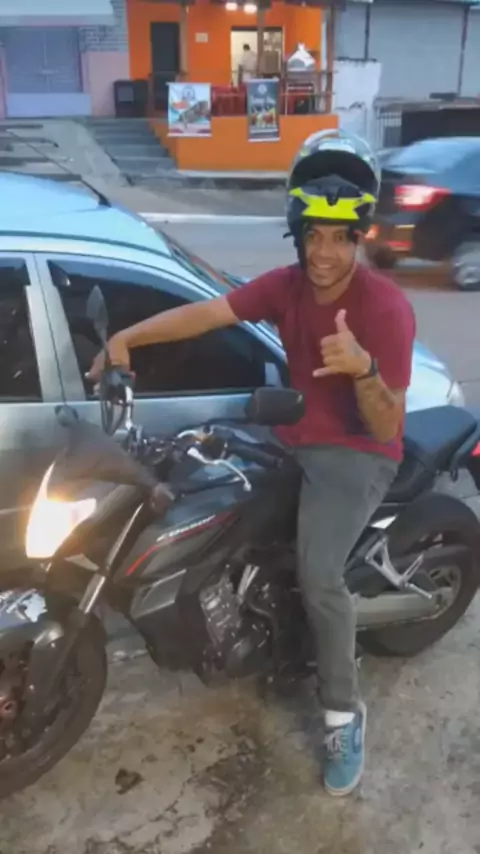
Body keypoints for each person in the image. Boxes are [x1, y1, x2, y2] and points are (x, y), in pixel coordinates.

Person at [89, 130, 415, 797]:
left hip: (356, 454)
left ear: (360, 238)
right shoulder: (287, 285)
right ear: (297, 233)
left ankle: (342, 713)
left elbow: (389, 424)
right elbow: (209, 314)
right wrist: (127, 338)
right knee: (206, 483)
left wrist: (362, 371)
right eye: (314, 235)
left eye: (340, 237)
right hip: (290, 431)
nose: (324, 252)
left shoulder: (385, 309)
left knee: (321, 578)